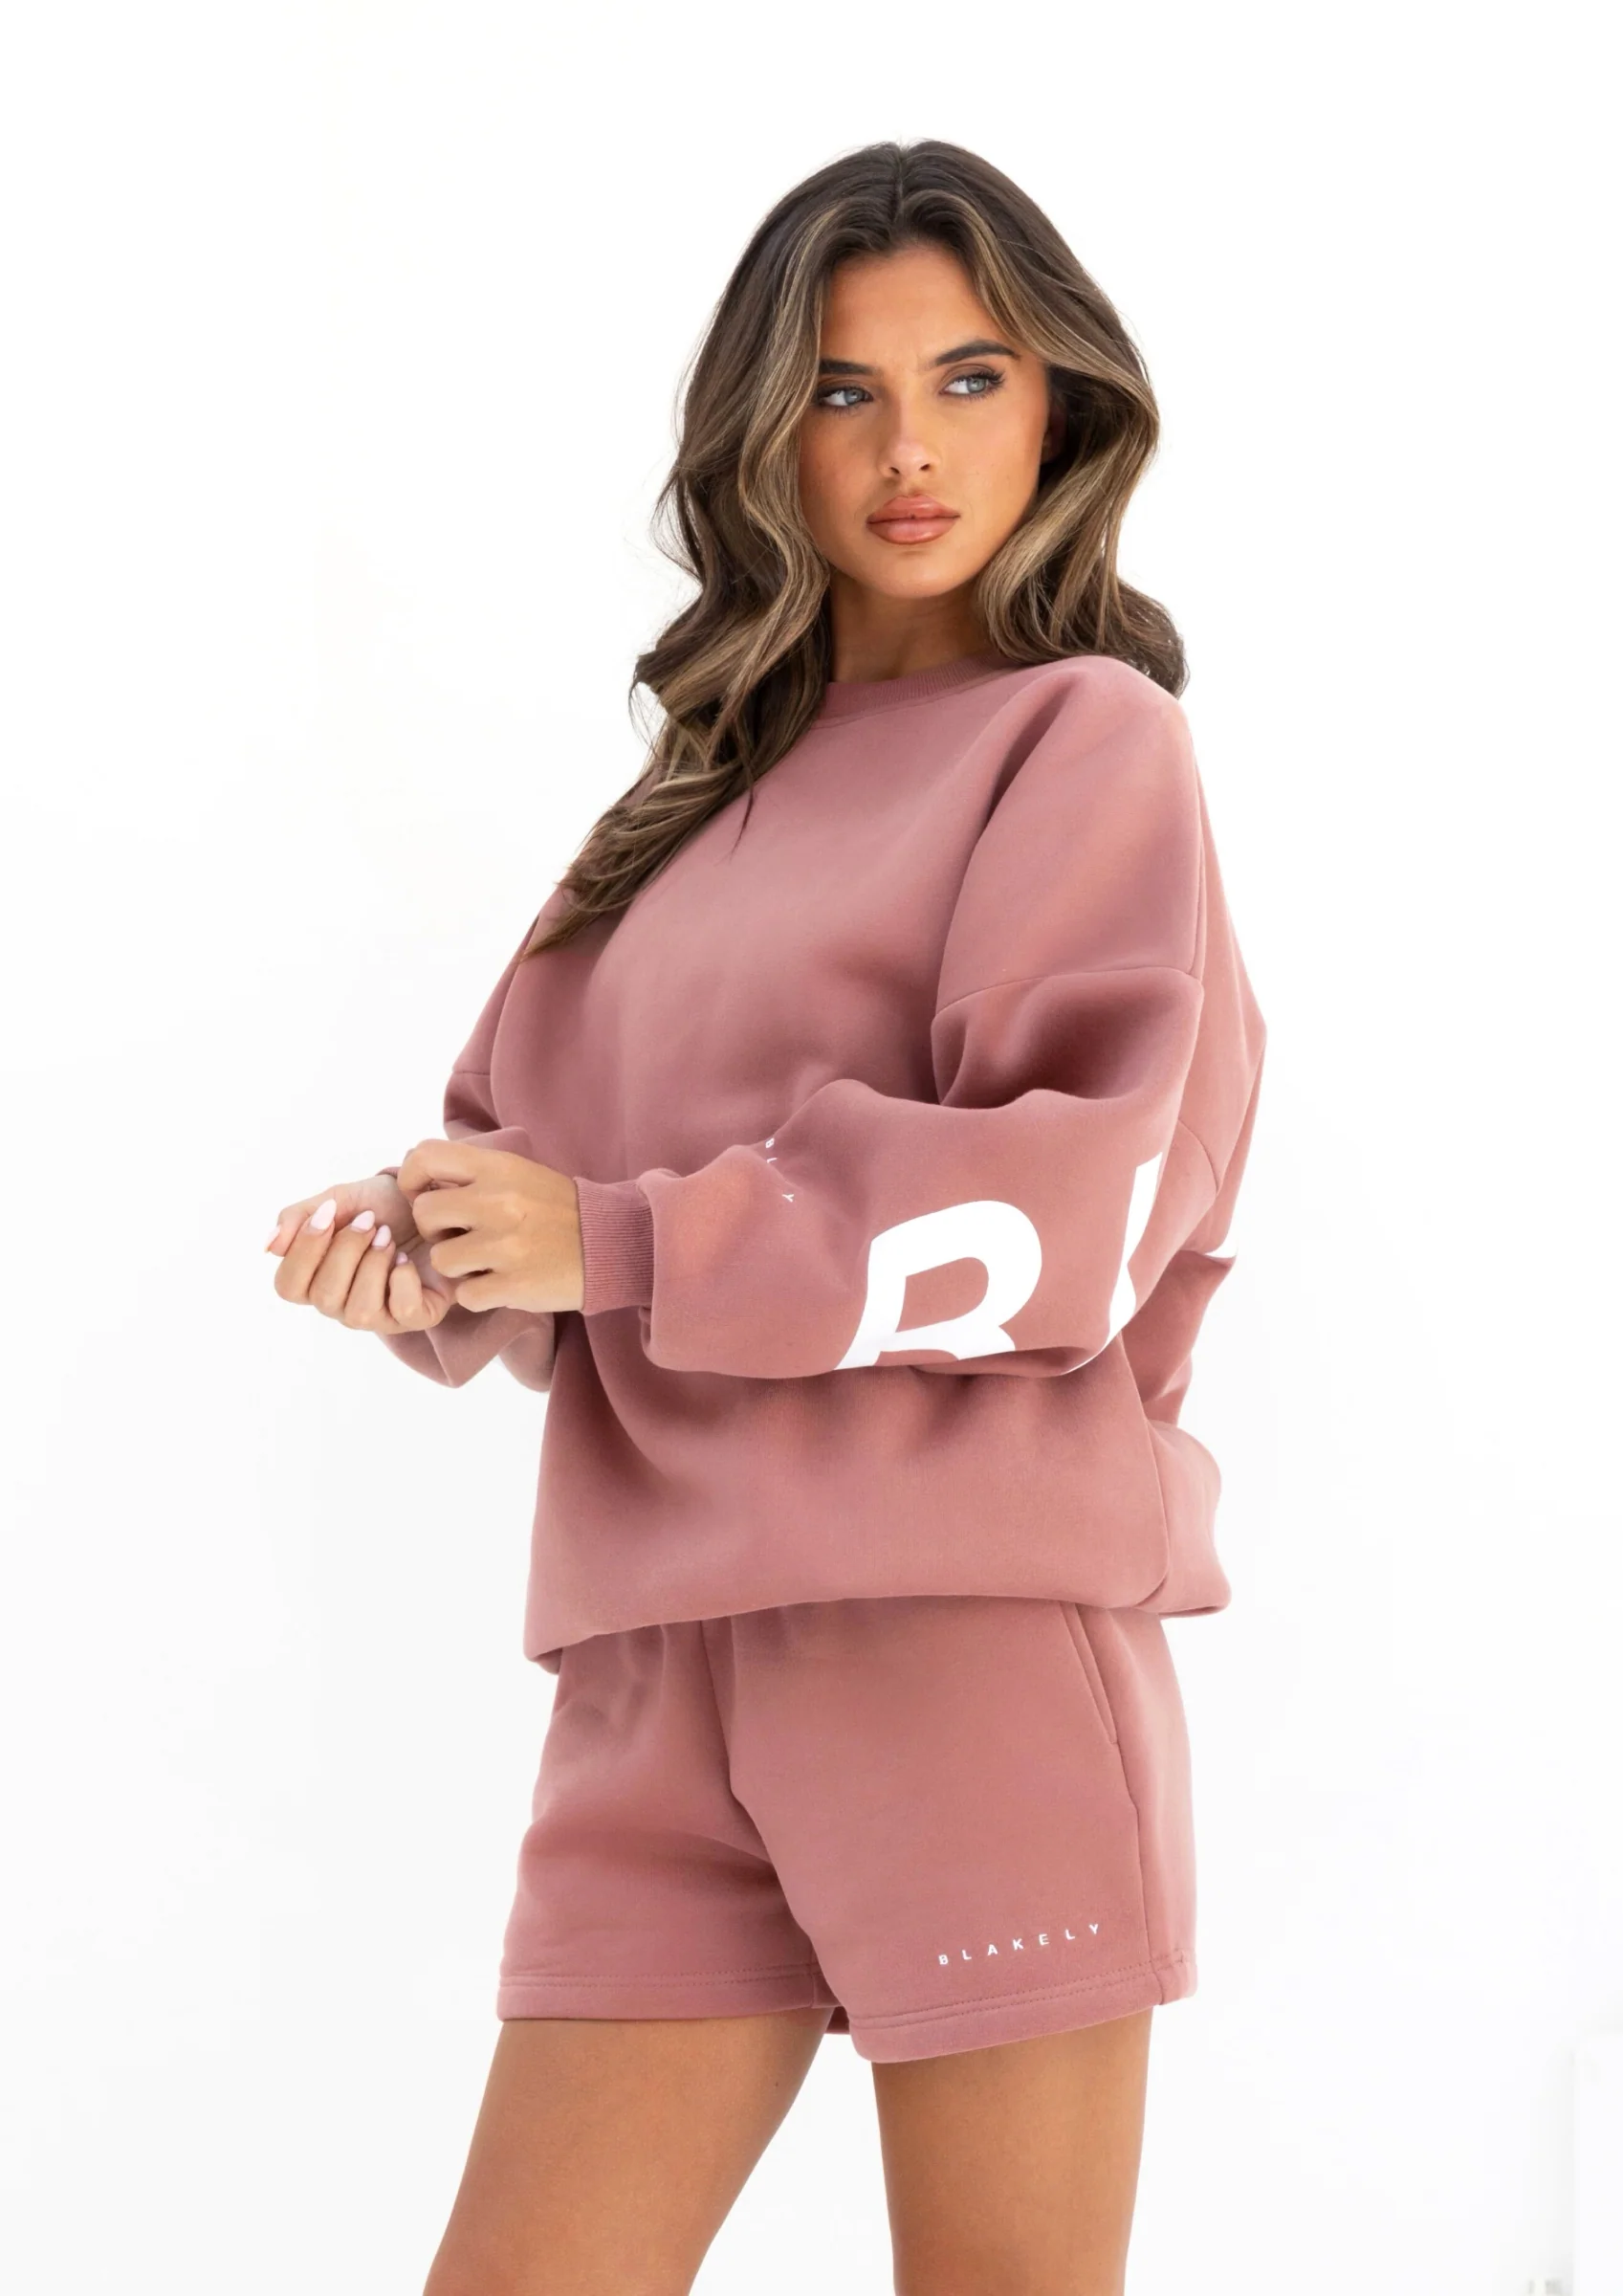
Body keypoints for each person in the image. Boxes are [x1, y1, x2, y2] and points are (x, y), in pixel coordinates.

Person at [267, 138, 1267, 2296]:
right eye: (842, 390)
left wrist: (619, 1246)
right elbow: (527, 1146)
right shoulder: (688, 794)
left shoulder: (1084, 742)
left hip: (957, 1646)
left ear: (1064, 406)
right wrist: (421, 1244)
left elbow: (1071, 1207)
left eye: (971, 377)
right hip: (652, 1670)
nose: (911, 448)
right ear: (762, 434)